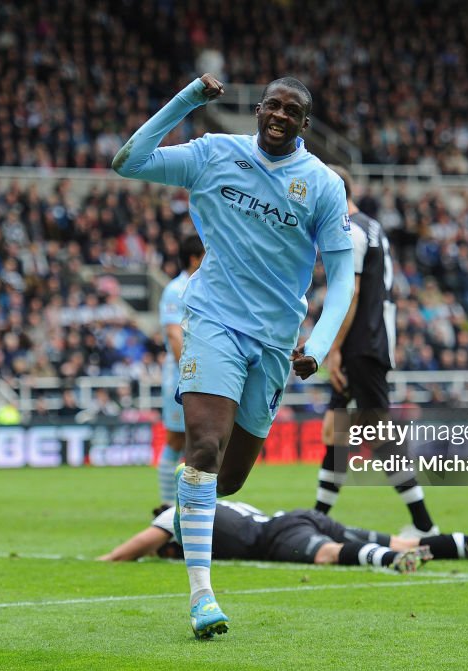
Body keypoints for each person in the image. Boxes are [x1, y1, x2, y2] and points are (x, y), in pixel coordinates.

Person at [113, 73, 356, 638]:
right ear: (258, 110)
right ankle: (202, 597)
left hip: (274, 341)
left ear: (304, 123)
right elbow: (130, 160)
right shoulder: (214, 153)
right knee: (202, 445)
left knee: (231, 478)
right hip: (213, 321)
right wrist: (188, 99)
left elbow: (342, 277)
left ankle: (180, 512)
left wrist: (317, 346)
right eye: (271, 105)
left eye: (290, 110)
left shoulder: (320, 184)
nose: (278, 115)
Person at [314, 166, 438, 538]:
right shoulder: (370, 226)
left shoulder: (350, 231)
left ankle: (425, 525)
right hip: (371, 339)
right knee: (337, 432)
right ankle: (318, 519)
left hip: (360, 344)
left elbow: (348, 294)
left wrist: (332, 349)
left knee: (378, 433)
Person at [98, 501, 468, 567]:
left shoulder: (178, 516)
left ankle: (387, 563)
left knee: (329, 555)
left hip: (279, 537)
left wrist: (103, 564)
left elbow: (127, 553)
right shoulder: (227, 503)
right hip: (296, 514)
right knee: (404, 539)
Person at [156, 235, 205, 507]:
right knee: (177, 439)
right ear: (194, 258)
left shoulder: (205, 287)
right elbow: (175, 336)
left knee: (198, 441)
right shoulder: (176, 290)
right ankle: (165, 506)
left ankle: (188, 504)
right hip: (181, 377)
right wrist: (188, 374)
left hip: (201, 375)